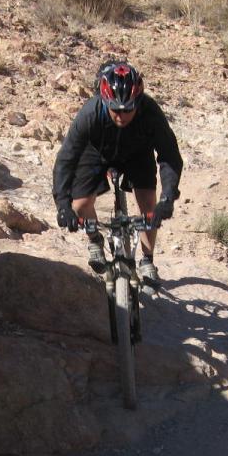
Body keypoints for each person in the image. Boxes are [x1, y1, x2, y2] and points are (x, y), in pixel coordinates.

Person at [53, 61, 182, 288]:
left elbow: (169, 156)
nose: (121, 116)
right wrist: (63, 205)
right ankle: (95, 239)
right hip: (97, 151)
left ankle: (148, 260)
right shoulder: (90, 114)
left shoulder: (151, 113)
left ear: (138, 102)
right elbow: (66, 159)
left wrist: (168, 198)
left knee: (149, 205)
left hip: (137, 152)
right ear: (104, 102)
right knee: (80, 204)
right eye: (115, 110)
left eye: (128, 110)